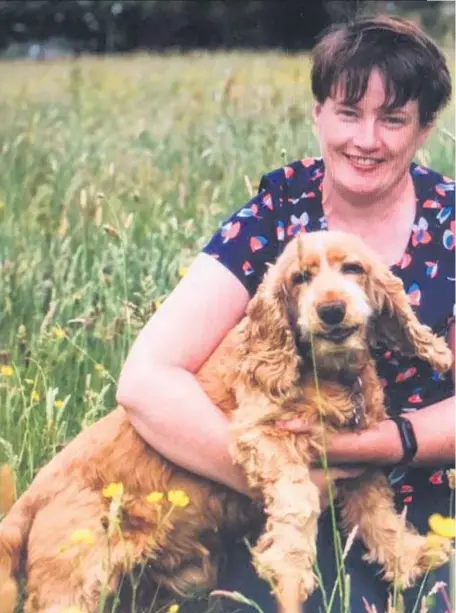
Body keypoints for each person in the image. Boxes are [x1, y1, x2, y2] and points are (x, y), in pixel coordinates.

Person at [116, 13, 455, 613]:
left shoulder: (450, 222)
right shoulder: (278, 211)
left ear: (425, 128)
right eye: (348, 113)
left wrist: (381, 443)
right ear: (318, 113)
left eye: (393, 119)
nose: (366, 140)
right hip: (280, 493)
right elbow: (147, 378)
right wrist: (285, 484)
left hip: (425, 492)